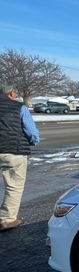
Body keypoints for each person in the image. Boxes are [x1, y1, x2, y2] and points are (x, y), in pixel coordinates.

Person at [0, 82, 39, 231]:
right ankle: (7, 219)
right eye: (16, 94)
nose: (17, 96)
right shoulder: (19, 107)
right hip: (13, 151)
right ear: (11, 94)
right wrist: (33, 141)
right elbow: (31, 131)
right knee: (14, 186)